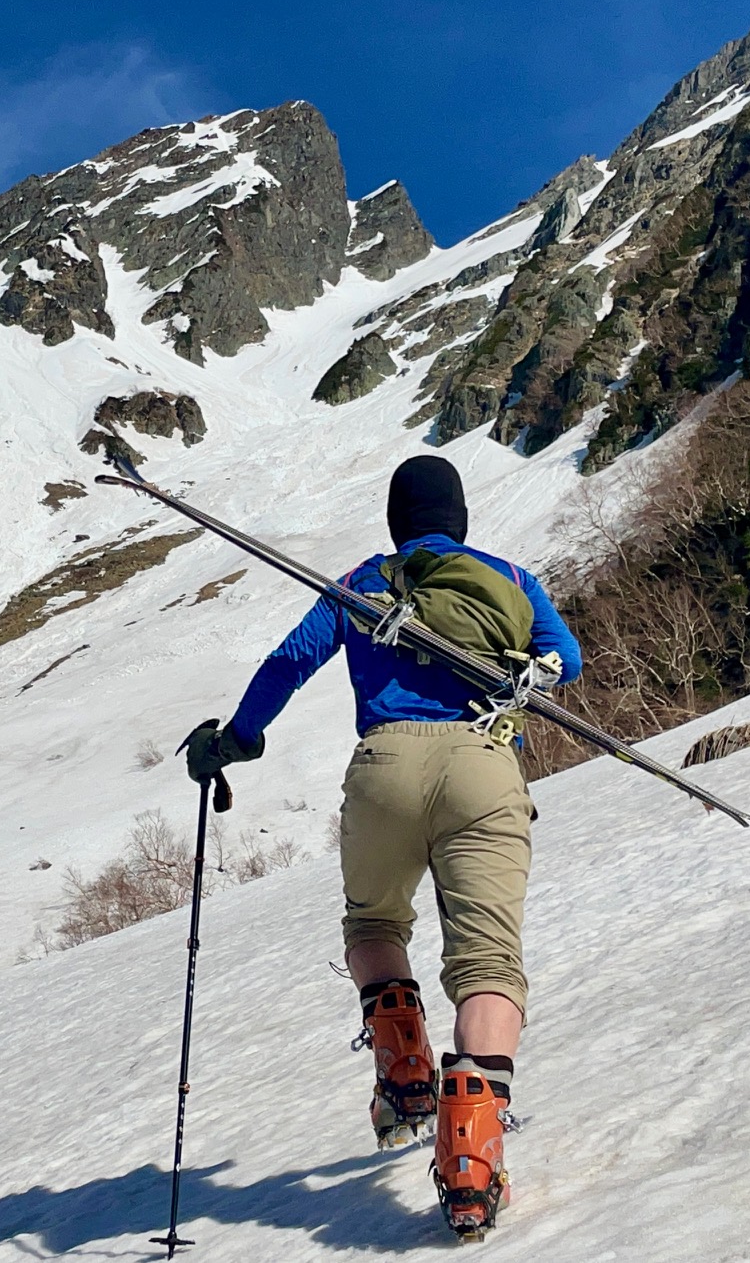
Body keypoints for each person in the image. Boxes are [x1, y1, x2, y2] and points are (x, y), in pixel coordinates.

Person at [182, 455, 581, 1238]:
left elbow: (290, 661)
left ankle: (404, 1071)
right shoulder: (510, 577)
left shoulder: (363, 582)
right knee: (489, 967)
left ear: (396, 520)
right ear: (458, 518)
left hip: (384, 766)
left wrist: (238, 740)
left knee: (372, 926)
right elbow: (564, 659)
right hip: (483, 764)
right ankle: (470, 1161)